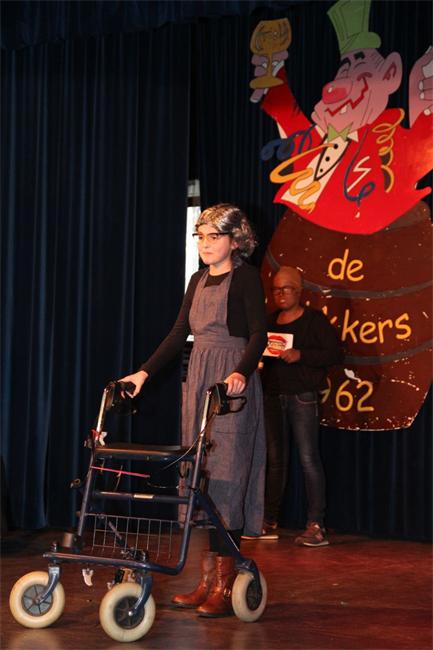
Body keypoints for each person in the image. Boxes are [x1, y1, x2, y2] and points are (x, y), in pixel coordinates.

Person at [120, 203, 267, 617]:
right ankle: (205, 581)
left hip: (230, 385)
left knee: (227, 477)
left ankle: (224, 581)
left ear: (235, 241)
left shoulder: (247, 278)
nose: (205, 244)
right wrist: (144, 373)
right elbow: (178, 333)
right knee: (200, 476)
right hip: (199, 378)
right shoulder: (197, 280)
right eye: (200, 236)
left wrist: (240, 372)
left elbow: (259, 334)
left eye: (213, 236)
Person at [248, 265, 344, 546]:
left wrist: (301, 354)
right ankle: (269, 519)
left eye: (286, 288)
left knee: (308, 458)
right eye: (276, 289)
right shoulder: (269, 322)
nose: (280, 294)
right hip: (273, 396)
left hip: (303, 395)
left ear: (299, 291)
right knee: (275, 460)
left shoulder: (314, 321)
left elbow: (334, 354)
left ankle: (315, 524)